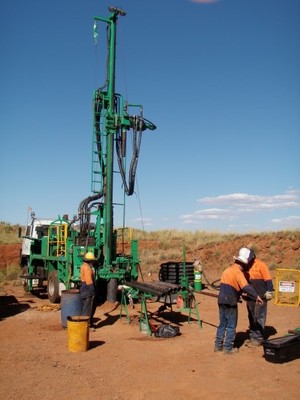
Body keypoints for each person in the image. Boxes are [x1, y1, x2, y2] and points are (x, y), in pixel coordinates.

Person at [214, 248, 263, 355]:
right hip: (230, 302)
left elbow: (231, 286)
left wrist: (239, 293)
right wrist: (257, 296)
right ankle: (228, 348)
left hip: (221, 300)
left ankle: (218, 346)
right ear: (244, 264)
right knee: (231, 325)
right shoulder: (238, 273)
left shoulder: (227, 270)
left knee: (222, 324)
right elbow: (246, 287)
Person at [244, 247, 274, 347]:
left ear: (253, 257)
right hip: (250, 297)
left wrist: (269, 291)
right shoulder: (245, 266)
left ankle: (258, 339)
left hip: (261, 296)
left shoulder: (260, 265)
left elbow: (268, 279)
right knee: (251, 317)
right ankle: (253, 337)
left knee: (259, 317)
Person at [80, 251, 97, 327]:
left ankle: (89, 324)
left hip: (84, 288)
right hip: (87, 289)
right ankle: (85, 326)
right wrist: (92, 290)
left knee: (88, 308)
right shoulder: (87, 268)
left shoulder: (84, 266)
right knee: (87, 309)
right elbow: (89, 280)